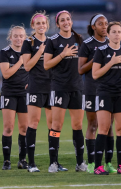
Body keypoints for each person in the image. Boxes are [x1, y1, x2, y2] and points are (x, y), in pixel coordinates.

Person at [22, 12, 67, 172]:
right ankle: (31, 163)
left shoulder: (52, 42)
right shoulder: (28, 42)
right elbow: (27, 66)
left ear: (47, 26)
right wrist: (40, 52)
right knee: (33, 123)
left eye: (44, 23)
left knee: (53, 126)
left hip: (52, 88)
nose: (41, 26)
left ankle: (54, 162)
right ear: (33, 26)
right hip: (35, 86)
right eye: (38, 23)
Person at [44, 10, 86, 173]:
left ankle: (80, 163)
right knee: (56, 126)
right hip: (59, 87)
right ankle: (53, 163)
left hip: (77, 88)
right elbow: (47, 65)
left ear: (71, 21)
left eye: (68, 19)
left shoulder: (79, 40)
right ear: (58, 24)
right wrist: (63, 54)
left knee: (77, 125)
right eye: (62, 20)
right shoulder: (52, 41)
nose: (66, 22)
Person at [92, 21, 121, 175]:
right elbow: (95, 74)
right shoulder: (101, 51)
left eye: (119, 32)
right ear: (108, 35)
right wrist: (111, 62)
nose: (116, 34)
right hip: (105, 93)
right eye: (113, 32)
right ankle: (98, 166)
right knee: (103, 128)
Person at [79, 14, 116, 174]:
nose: (104, 26)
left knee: (108, 127)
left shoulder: (112, 43)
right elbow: (80, 69)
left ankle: (108, 163)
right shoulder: (87, 44)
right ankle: (93, 163)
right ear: (93, 27)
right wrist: (96, 59)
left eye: (106, 23)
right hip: (92, 90)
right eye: (100, 24)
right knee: (93, 125)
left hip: (109, 90)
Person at [0, 26, 28, 170]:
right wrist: (20, 62)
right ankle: (6, 161)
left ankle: (22, 160)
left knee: (24, 128)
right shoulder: (4, 52)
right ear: (10, 37)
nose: (18, 39)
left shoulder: (29, 52)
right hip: (9, 93)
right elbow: (6, 74)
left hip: (25, 94)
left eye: (21, 36)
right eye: (15, 36)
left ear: (25, 37)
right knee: (9, 127)